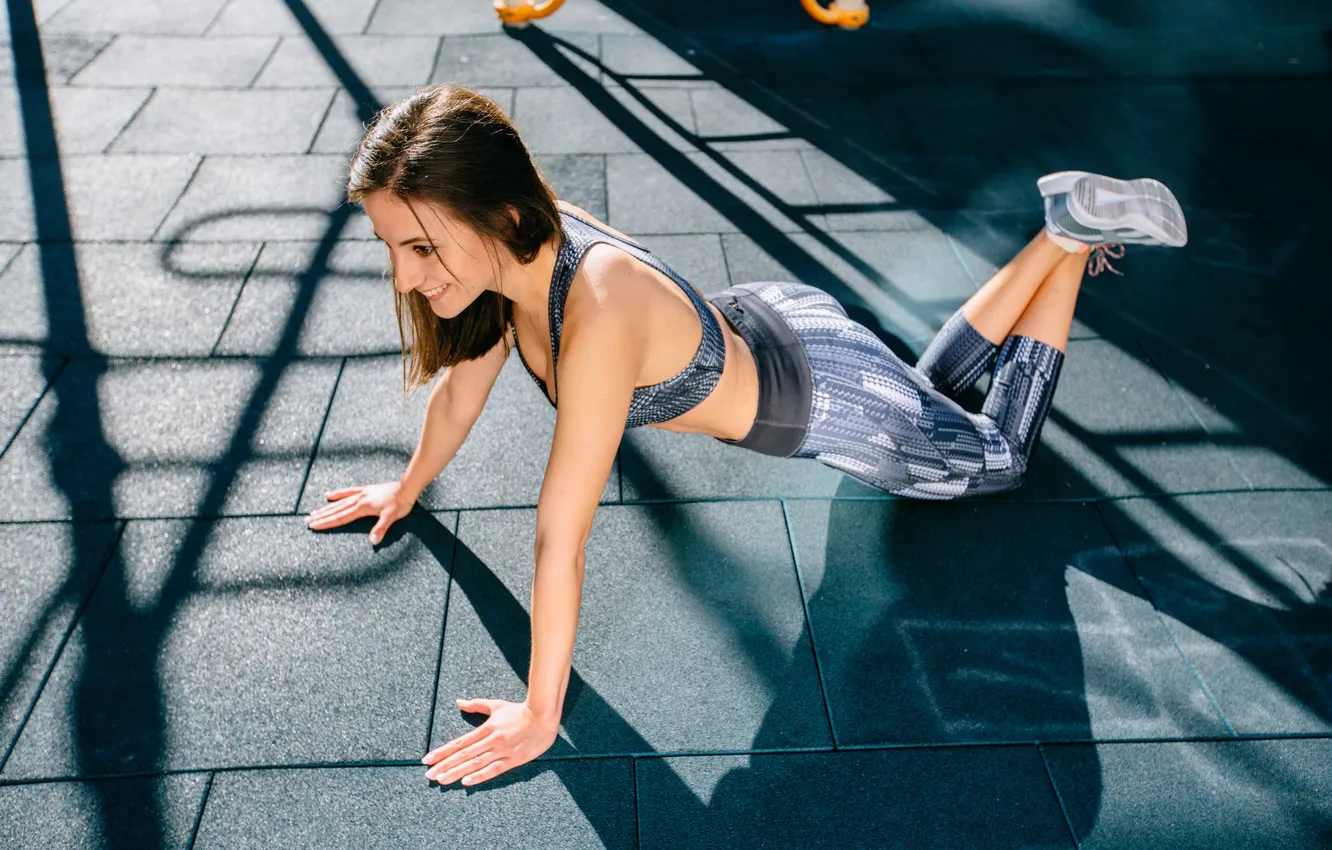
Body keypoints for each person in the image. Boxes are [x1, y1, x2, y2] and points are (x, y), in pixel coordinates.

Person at [305, 83, 1188, 787]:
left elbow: (561, 533)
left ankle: (1068, 241)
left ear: (496, 215)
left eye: (421, 248)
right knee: (923, 400)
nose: (408, 276)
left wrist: (542, 713)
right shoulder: (520, 245)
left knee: (996, 459)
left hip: (824, 399)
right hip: (783, 331)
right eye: (393, 249)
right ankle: (1056, 235)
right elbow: (461, 398)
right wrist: (408, 486)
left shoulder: (597, 308)